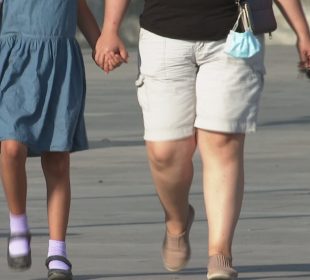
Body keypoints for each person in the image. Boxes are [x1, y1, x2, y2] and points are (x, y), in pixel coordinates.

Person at [94, 0, 310, 279]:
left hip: (234, 33)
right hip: (163, 34)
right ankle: (177, 220)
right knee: (165, 153)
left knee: (222, 142)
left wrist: (302, 31)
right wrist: (110, 29)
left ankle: (220, 253)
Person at [0, 0, 100, 279]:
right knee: (10, 147)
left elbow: (77, 5)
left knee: (57, 159)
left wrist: (100, 43)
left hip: (59, 61)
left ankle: (58, 252)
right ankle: (18, 225)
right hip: (14, 59)